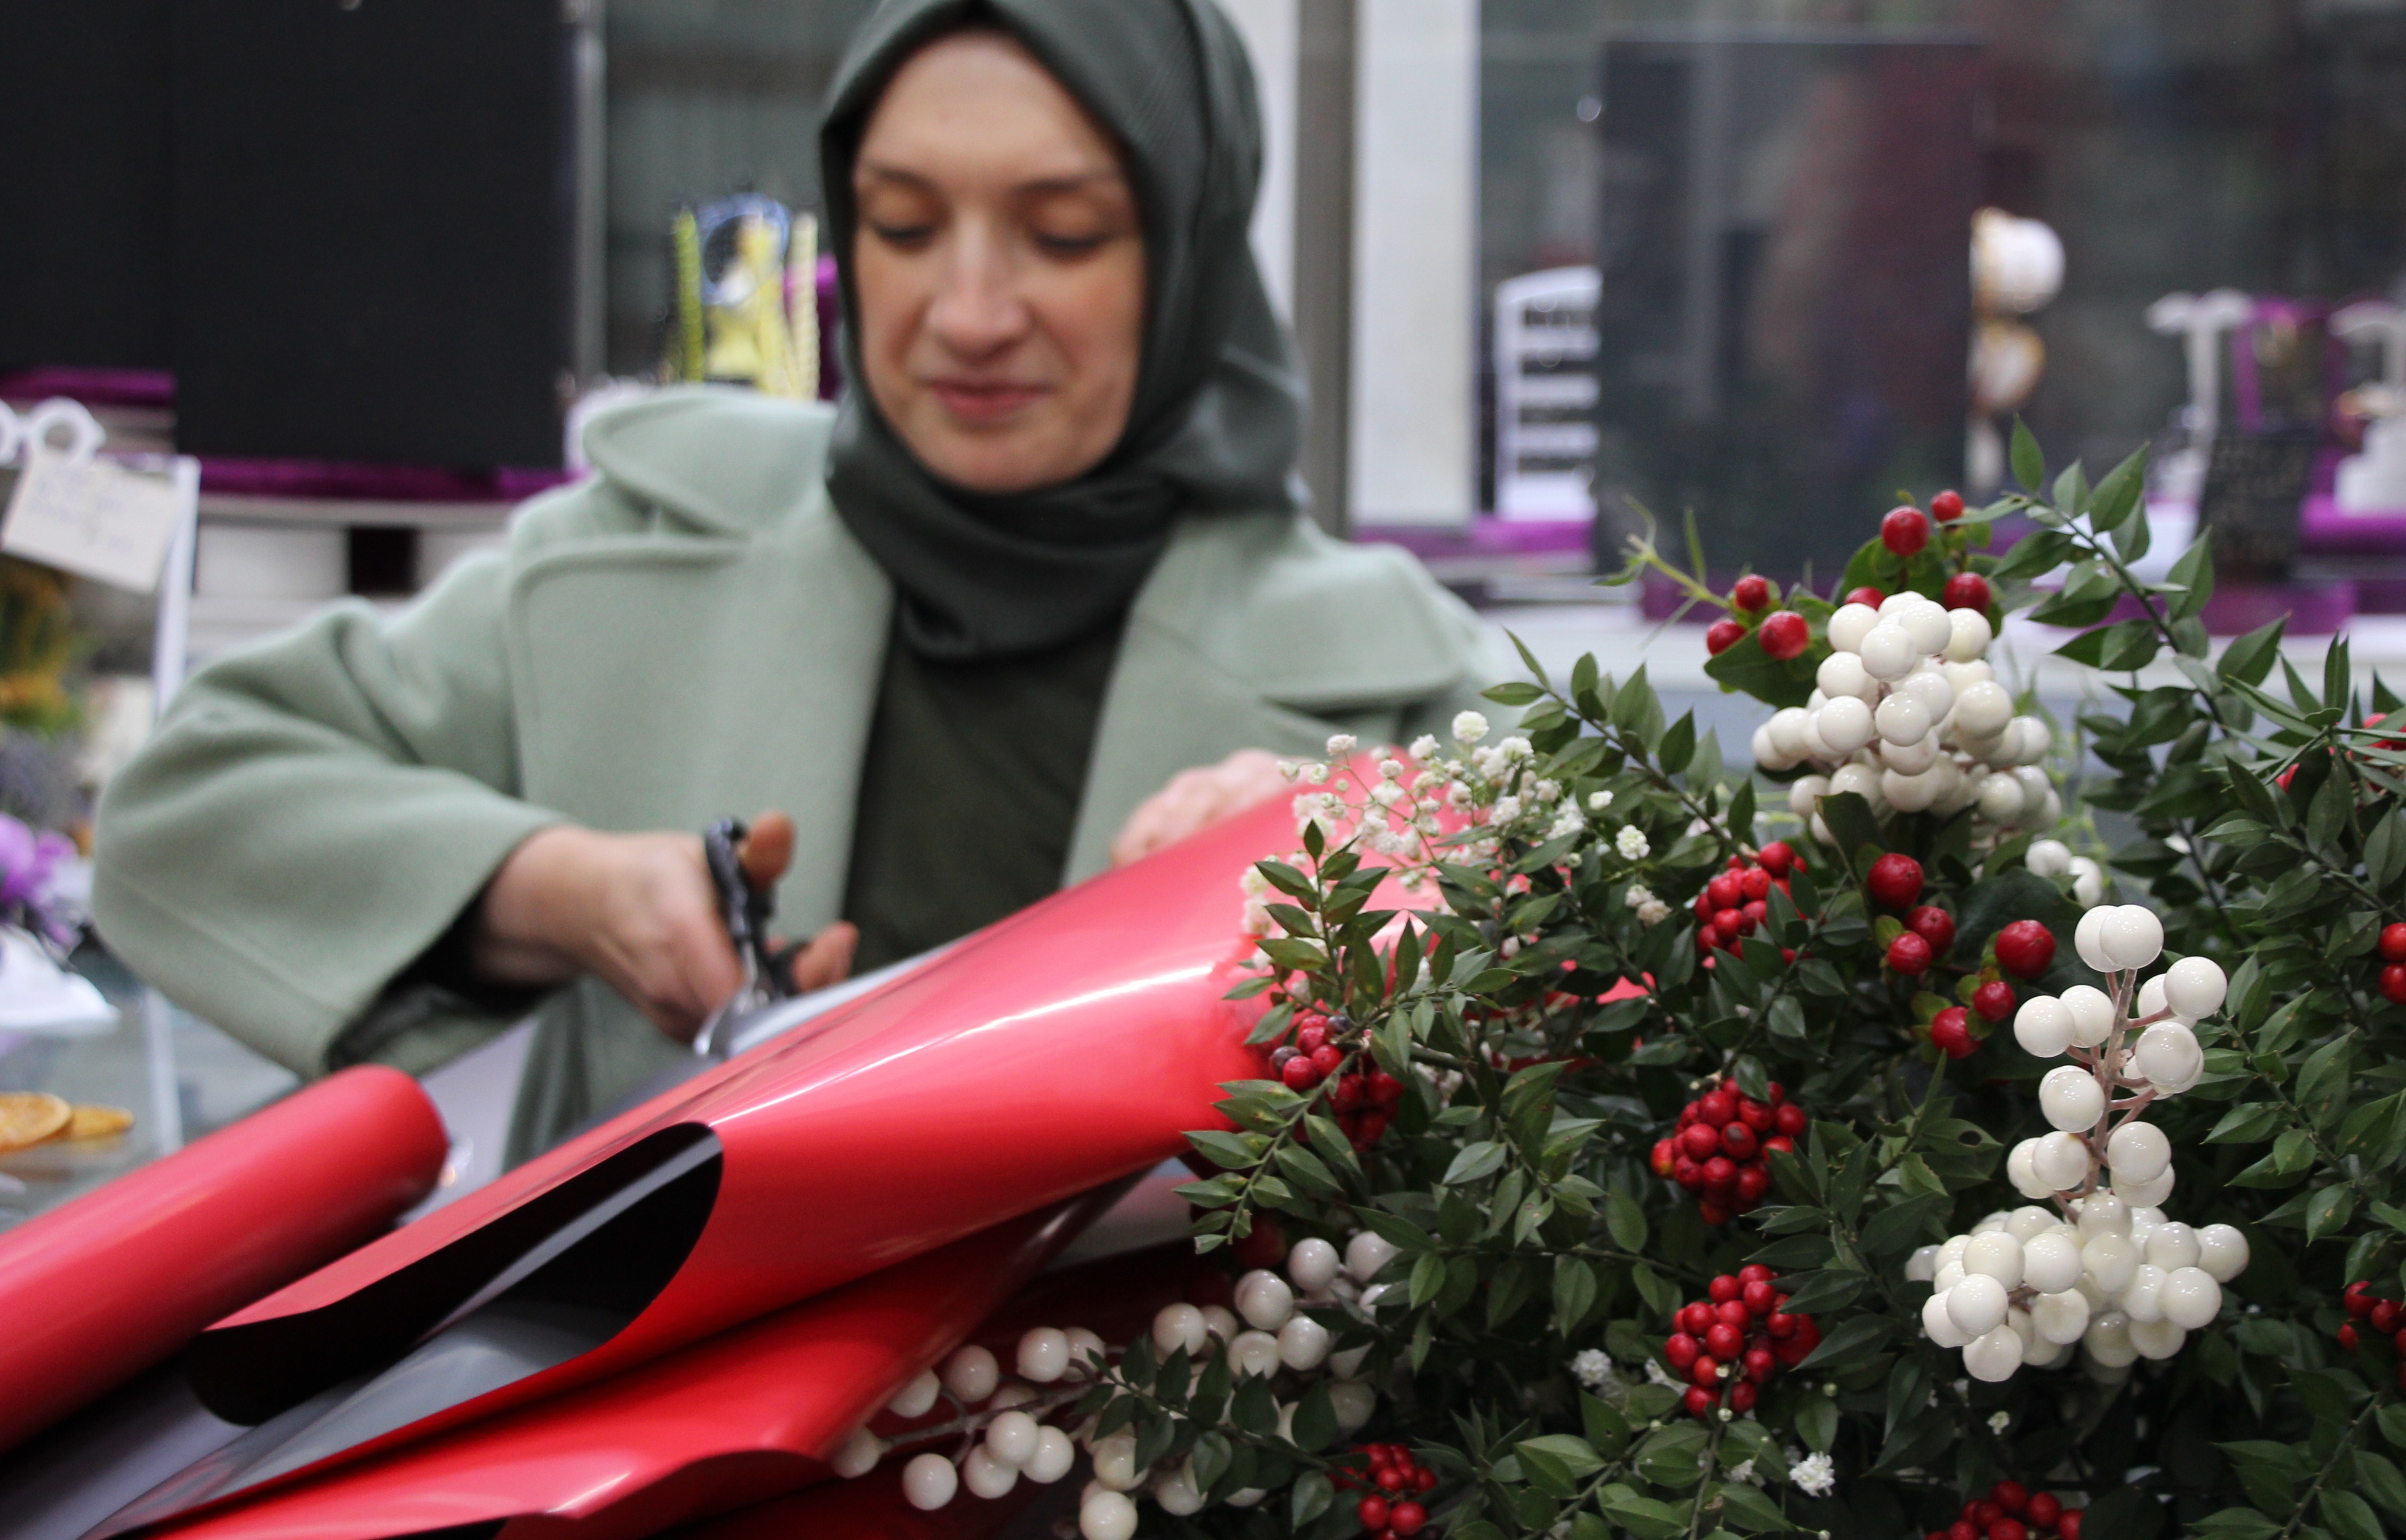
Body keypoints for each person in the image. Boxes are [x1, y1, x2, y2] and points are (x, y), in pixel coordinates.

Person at [92, 0, 1495, 1163]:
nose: (967, 314)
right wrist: (564, 888)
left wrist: (1381, 863)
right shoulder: (640, 553)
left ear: (1188, 250)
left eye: (1063, 233)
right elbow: (196, 795)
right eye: (898, 224)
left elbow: (1619, 1049)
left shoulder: (1399, 680)